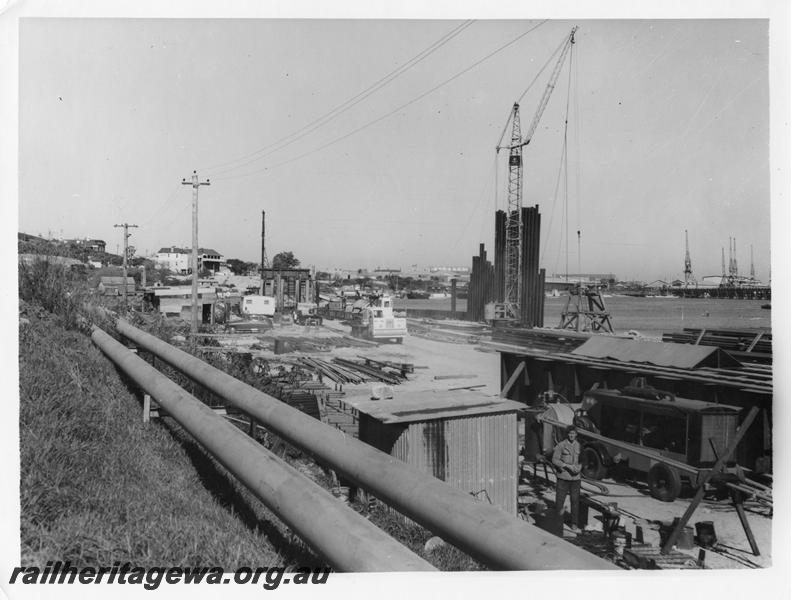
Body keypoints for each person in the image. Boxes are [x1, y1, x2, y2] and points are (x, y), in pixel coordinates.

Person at [552, 426, 582, 531]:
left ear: (576, 434)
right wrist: (567, 466)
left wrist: (579, 468)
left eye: (573, 433)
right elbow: (555, 460)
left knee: (575, 501)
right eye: (570, 433)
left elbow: (583, 460)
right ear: (567, 434)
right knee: (560, 501)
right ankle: (558, 523)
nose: (571, 435)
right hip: (563, 478)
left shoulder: (579, 445)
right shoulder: (561, 445)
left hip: (576, 479)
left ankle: (574, 523)